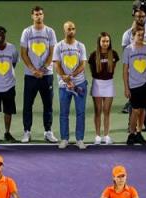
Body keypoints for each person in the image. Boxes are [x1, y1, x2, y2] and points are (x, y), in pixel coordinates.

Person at [19, 5, 58, 144]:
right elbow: (23, 53)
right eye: (36, 14)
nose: (38, 16)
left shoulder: (50, 32)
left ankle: (48, 131)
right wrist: (32, 69)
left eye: (40, 14)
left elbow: (52, 52)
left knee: (48, 104)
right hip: (30, 76)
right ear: (32, 16)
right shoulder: (27, 32)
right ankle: (27, 132)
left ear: (43, 15)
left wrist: (42, 69)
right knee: (27, 104)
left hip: (46, 75)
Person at [122, 4, 146, 132]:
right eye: (138, 16)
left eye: (142, 16)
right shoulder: (127, 34)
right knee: (134, 104)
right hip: (134, 77)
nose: (140, 19)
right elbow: (126, 55)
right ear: (134, 16)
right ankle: (131, 127)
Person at [53, 21, 87, 150]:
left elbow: (83, 64)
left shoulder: (81, 46)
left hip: (79, 84)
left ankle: (79, 139)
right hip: (64, 86)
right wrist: (65, 78)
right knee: (64, 113)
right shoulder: (58, 46)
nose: (71, 31)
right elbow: (56, 64)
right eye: (69, 29)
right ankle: (65, 139)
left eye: (73, 29)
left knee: (80, 113)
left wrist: (71, 76)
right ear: (64, 30)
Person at [123, 26, 146, 146]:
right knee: (135, 110)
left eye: (142, 35)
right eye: (138, 35)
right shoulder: (128, 50)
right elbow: (125, 70)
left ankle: (139, 132)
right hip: (134, 85)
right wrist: (126, 87)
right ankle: (131, 134)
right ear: (133, 36)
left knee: (143, 110)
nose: (141, 37)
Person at [88, 31, 119, 145]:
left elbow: (112, 68)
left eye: (107, 41)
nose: (105, 43)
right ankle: (97, 136)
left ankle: (106, 136)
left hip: (109, 84)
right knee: (98, 111)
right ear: (99, 42)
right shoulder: (93, 55)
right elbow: (92, 71)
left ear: (109, 42)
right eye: (103, 41)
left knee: (107, 111)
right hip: (97, 84)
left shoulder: (114, 54)